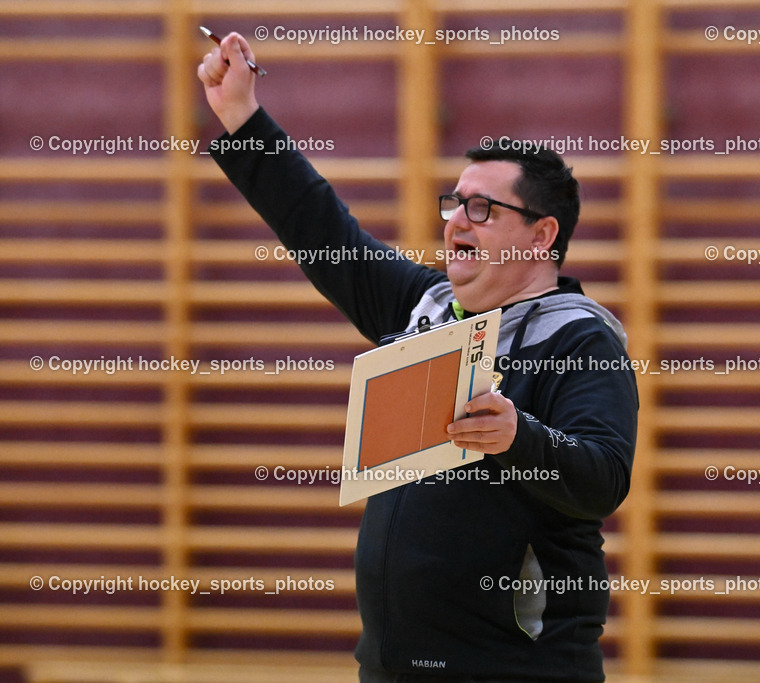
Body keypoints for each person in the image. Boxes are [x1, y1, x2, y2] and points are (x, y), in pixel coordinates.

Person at [198, 33, 638, 683]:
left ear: (542, 235)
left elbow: (604, 477)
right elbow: (320, 227)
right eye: (454, 202)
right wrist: (242, 115)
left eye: (483, 208)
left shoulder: (580, 339)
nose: (457, 220)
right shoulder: (422, 306)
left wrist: (521, 436)